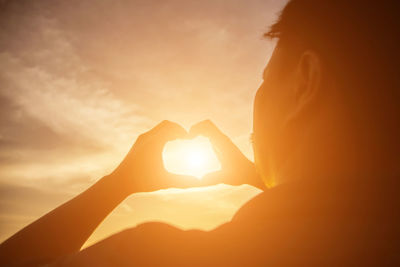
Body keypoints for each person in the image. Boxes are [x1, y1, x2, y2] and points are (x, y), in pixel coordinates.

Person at [1, 0, 399, 265]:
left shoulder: (154, 257)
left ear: (305, 83)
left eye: (265, 79)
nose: (256, 101)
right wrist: (259, 177)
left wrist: (117, 184)